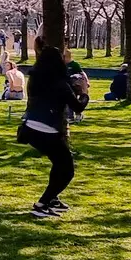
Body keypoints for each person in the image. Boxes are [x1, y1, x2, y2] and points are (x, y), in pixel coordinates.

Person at [22, 43, 86, 220]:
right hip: (47, 130)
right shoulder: (60, 84)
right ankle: (41, 204)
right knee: (67, 169)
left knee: (58, 163)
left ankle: (52, 199)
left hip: (30, 127)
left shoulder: (35, 78)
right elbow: (78, 107)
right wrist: (84, 92)